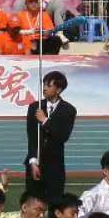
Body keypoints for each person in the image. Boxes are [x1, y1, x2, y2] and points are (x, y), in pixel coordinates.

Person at [27, 72, 76, 208]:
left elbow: (63, 136)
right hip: (35, 165)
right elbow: (31, 137)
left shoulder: (68, 110)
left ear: (58, 89)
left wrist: (45, 121)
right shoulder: (34, 107)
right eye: (44, 84)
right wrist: (33, 161)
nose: (44, 88)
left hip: (55, 166)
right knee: (34, 206)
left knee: (55, 206)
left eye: (49, 85)